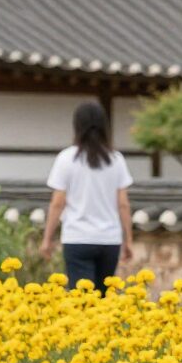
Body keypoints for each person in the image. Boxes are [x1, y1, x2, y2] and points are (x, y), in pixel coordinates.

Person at [40, 102, 134, 290]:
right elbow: (123, 204)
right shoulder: (116, 159)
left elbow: (58, 203)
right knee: (103, 298)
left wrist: (47, 239)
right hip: (109, 239)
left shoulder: (66, 158)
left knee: (81, 300)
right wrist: (128, 239)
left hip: (77, 237)